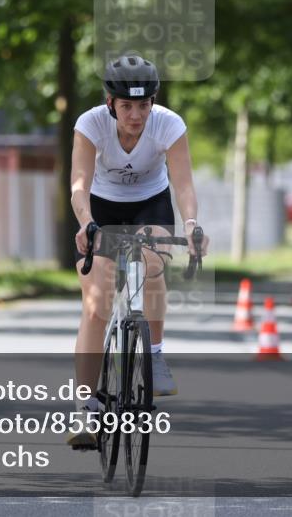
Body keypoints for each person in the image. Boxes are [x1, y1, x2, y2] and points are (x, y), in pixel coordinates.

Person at [65, 55, 208, 449]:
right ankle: (85, 407)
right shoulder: (90, 124)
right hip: (101, 206)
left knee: (155, 261)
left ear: (153, 101)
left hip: (150, 202)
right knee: (96, 304)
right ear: (110, 103)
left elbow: (183, 186)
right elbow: (79, 184)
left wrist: (193, 225)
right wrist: (85, 222)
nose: (135, 115)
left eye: (143, 105)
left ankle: (155, 354)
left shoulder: (169, 125)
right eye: (126, 106)